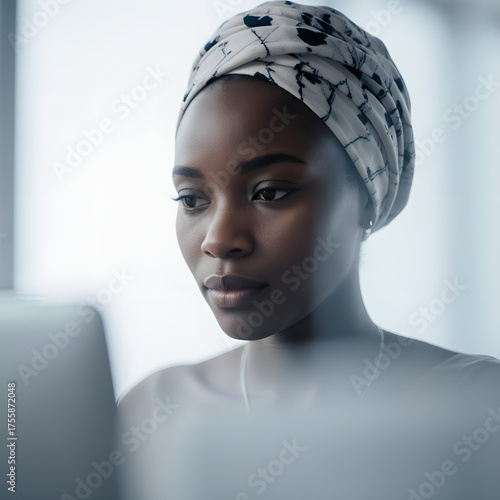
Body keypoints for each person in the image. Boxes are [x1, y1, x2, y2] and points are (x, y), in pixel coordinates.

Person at [116, 2, 500, 499]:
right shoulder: (152, 412)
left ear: (366, 195)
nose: (217, 238)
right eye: (193, 200)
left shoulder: (476, 405)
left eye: (271, 192)